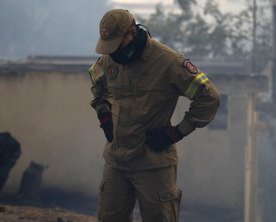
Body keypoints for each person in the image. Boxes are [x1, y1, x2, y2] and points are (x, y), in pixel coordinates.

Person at [88, 9, 220, 222]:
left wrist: (177, 132)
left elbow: (209, 96)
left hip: (153, 163)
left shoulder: (168, 62)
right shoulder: (109, 60)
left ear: (131, 32)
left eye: (117, 44)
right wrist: (104, 114)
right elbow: (97, 82)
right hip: (117, 160)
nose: (112, 51)